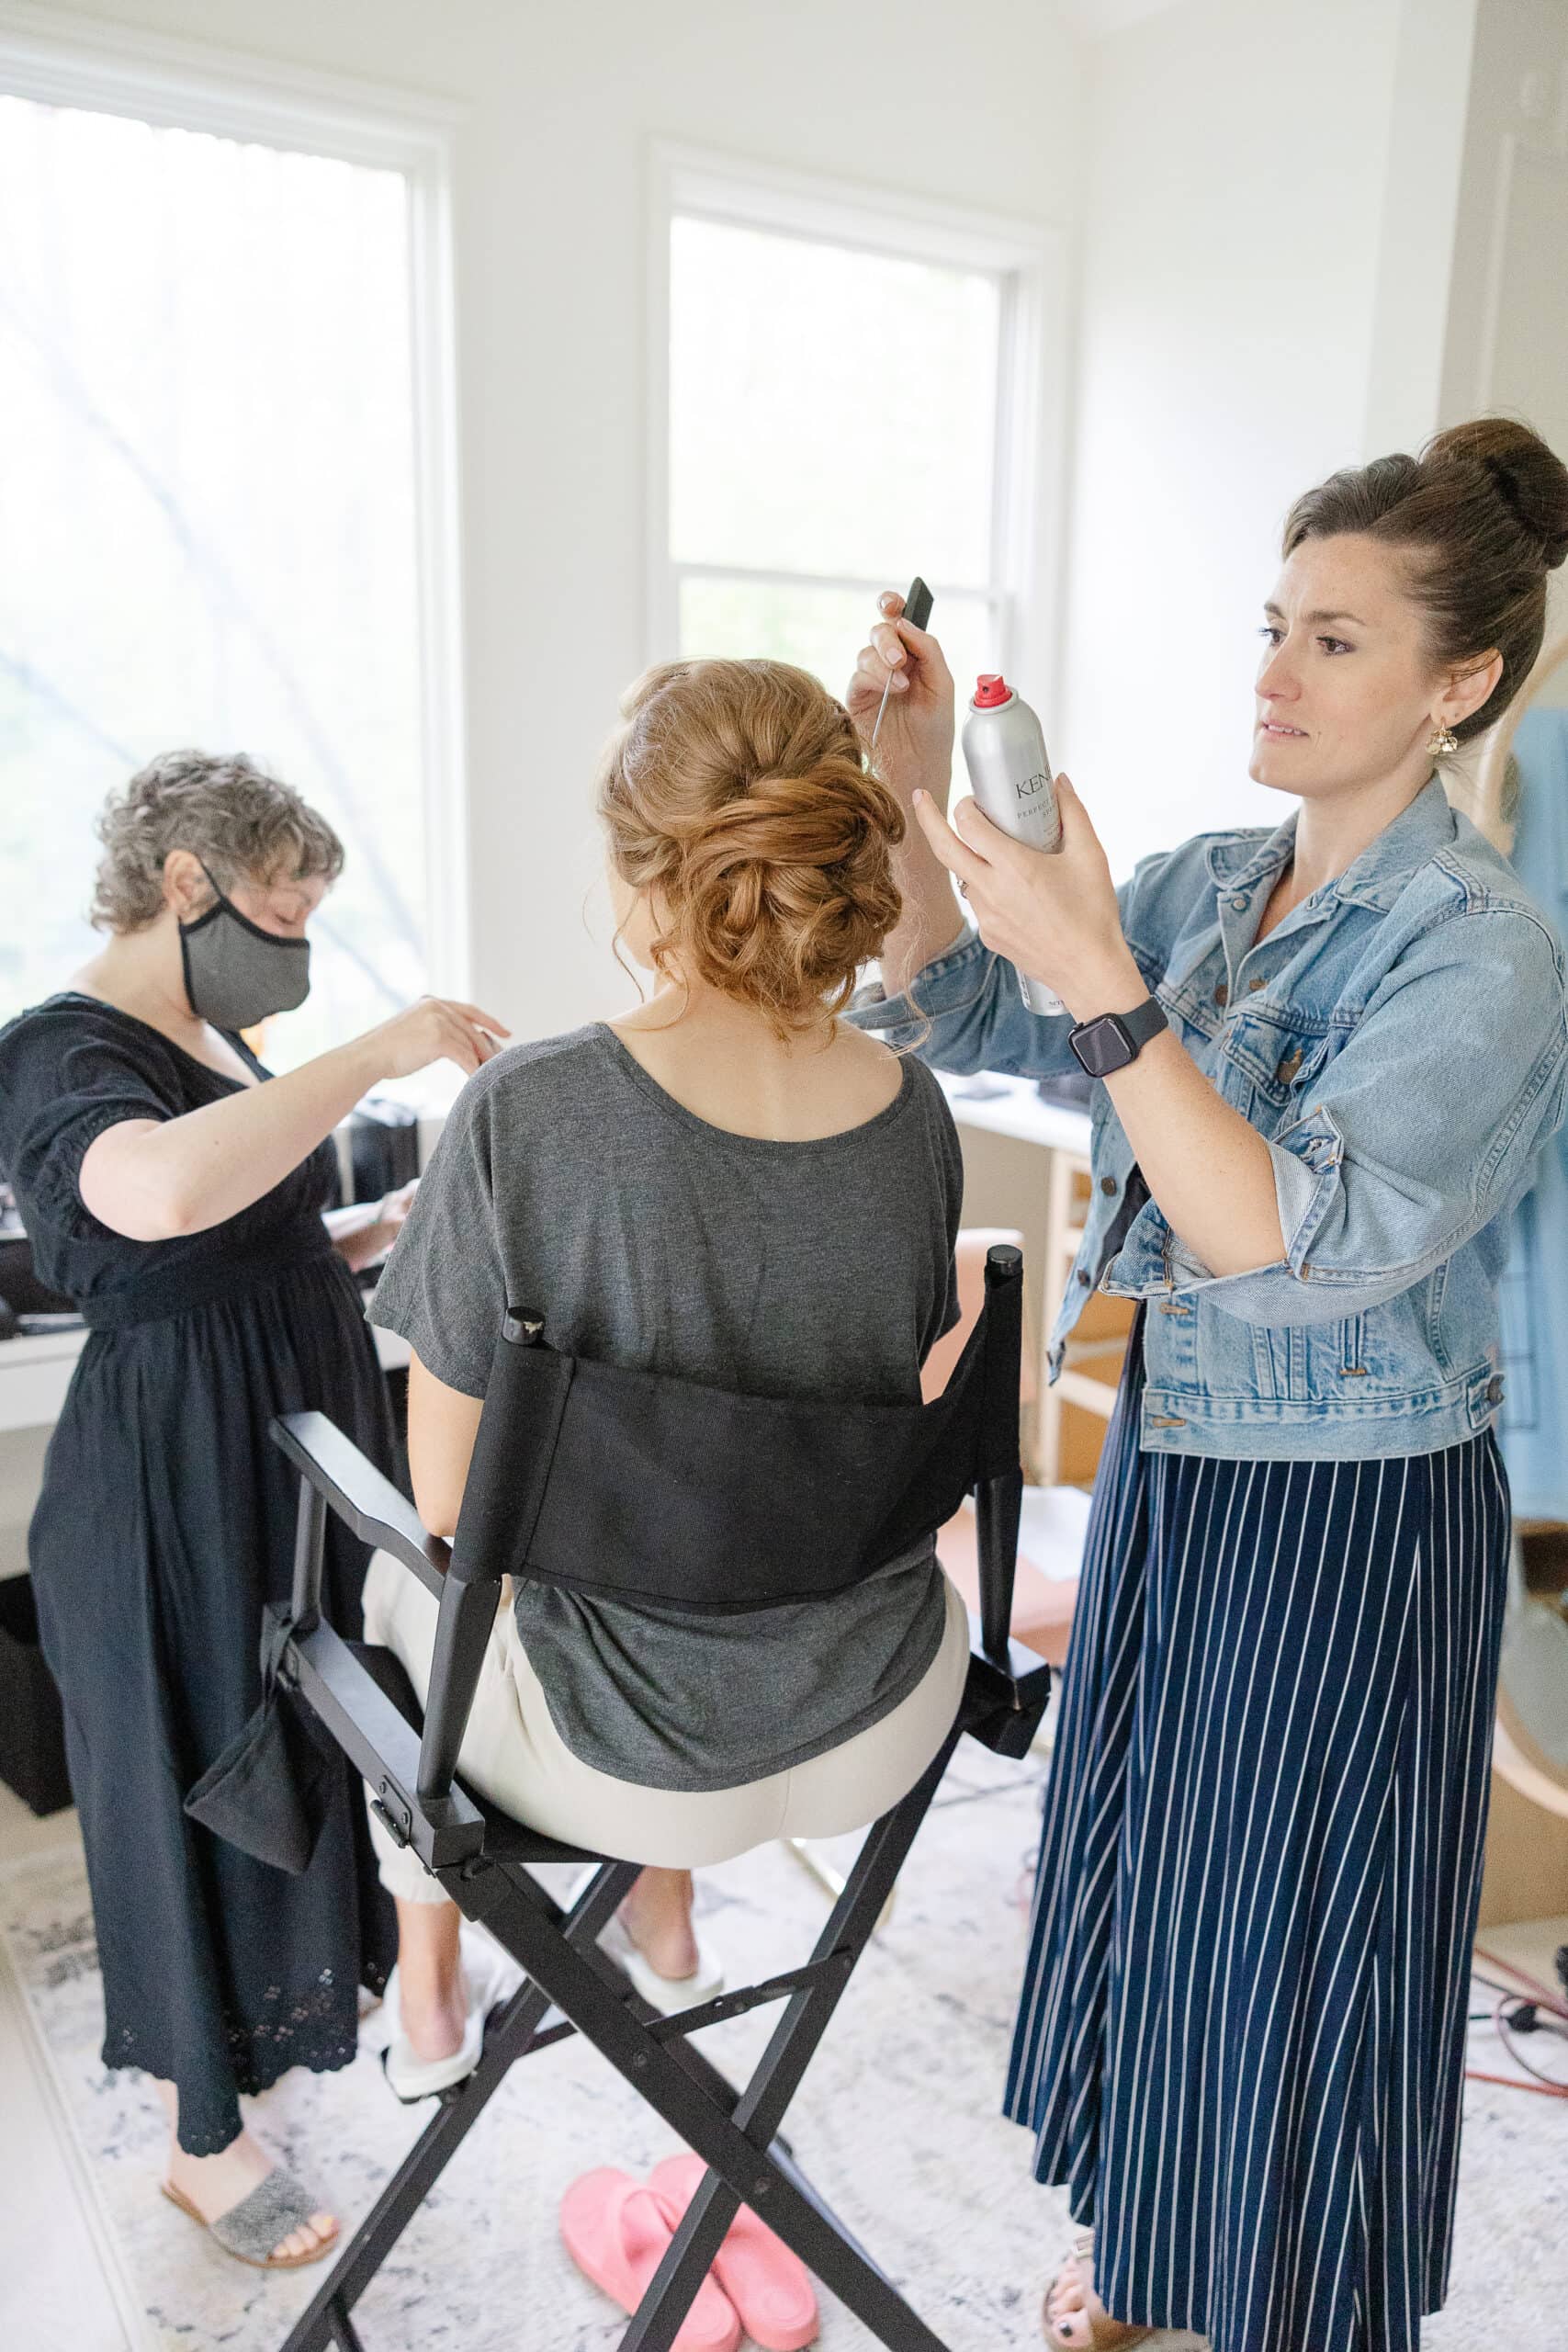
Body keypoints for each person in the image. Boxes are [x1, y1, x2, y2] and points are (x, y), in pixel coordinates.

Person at [845, 416, 1568, 2352]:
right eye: (1273, 622)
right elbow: (956, 1005)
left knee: (1302, 1944)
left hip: (1351, 1507)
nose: (1270, 669)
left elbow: (1292, 1236)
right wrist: (913, 801)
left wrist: (1099, 968)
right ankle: (1159, 2258)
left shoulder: (1483, 949)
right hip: (1184, 1454)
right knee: (1161, 1890)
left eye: (1333, 638)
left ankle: (1283, 2298)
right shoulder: (1207, 879)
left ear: (1459, 681)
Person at [358, 656, 973, 2091]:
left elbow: (457, 1506)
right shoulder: (916, 1110)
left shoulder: (531, 1107)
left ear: (645, 873)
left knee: (389, 1576)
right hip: (881, 1705)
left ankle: (431, 1993)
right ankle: (667, 1917)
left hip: (626, 1752)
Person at [0, 751, 505, 2269]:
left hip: (277, 1455)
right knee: (186, 1786)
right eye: (282, 910)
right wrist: (374, 1053)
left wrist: (372, 1231)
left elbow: (229, 1242)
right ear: (183, 883)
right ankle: (198, 2146)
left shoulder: (215, 1040)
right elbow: (149, 1202)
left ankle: (278, 2060)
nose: (294, 946)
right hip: (171, 1480)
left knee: (291, 1754)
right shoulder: (61, 1049)